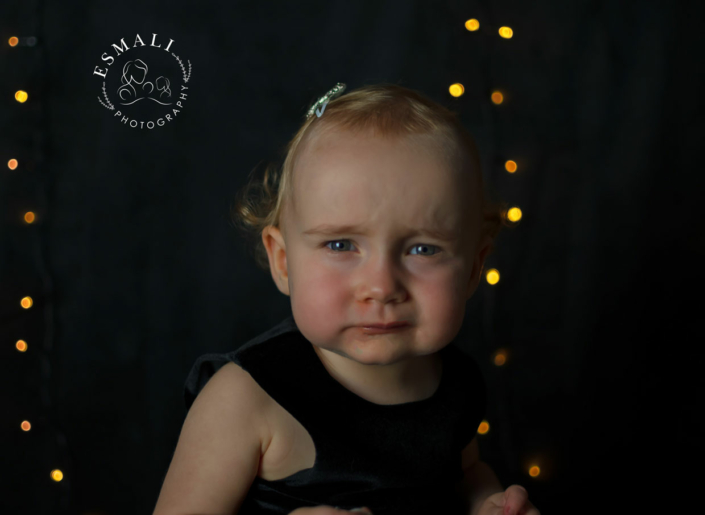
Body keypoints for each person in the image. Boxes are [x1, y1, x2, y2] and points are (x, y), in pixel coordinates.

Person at [153, 82, 540, 515]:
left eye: (423, 249)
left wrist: (488, 503)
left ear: (473, 270)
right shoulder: (246, 398)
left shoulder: (456, 383)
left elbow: (467, 474)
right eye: (341, 245)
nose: (381, 286)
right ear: (283, 262)